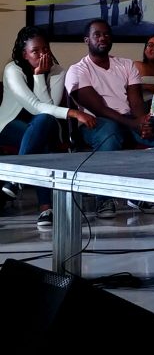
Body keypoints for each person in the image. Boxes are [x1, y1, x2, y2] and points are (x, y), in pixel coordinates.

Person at [65, 18, 154, 218]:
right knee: (110, 132)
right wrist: (134, 124)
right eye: (97, 35)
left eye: (106, 34)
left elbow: (136, 101)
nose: (103, 38)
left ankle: (142, 192)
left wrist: (143, 123)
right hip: (95, 123)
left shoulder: (126, 65)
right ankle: (103, 199)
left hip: (129, 120)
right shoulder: (77, 70)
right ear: (87, 40)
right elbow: (99, 108)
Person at [0, 26, 98, 227]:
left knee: (43, 125)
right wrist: (73, 112)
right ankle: (46, 207)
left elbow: (47, 109)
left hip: (45, 126)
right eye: (35, 51)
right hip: (9, 126)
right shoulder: (13, 70)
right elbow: (35, 107)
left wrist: (39, 76)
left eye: (45, 49)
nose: (42, 54)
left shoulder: (57, 71)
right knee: (41, 138)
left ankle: (17, 178)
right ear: (23, 53)